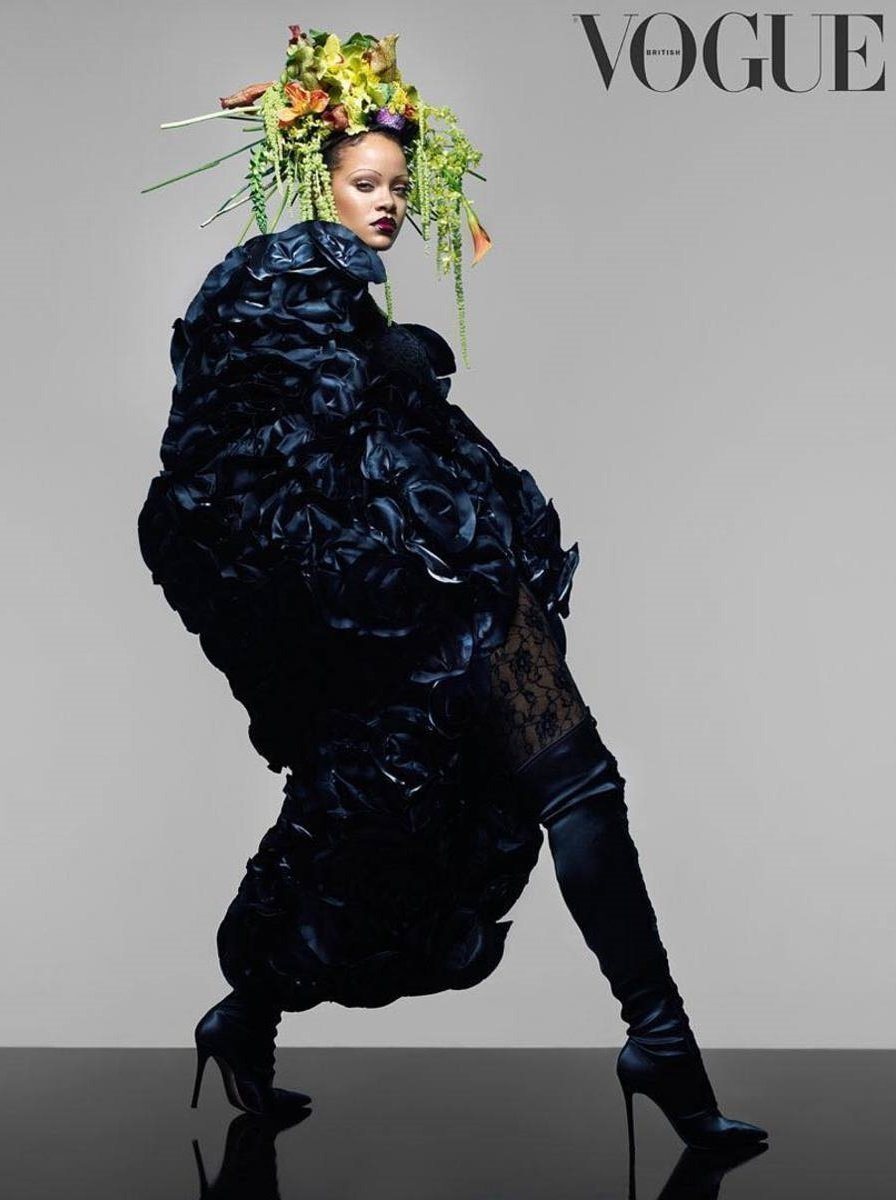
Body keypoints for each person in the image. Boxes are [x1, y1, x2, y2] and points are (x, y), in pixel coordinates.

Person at [137, 25, 768, 1155]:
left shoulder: (341, 298)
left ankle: (654, 1040)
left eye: (395, 186)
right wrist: (397, 541)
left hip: (453, 581)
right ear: (316, 178)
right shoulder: (280, 281)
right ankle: (655, 1045)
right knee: (427, 807)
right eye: (363, 184)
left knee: (536, 790)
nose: (385, 204)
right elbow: (255, 470)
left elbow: (364, 438)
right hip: (422, 596)